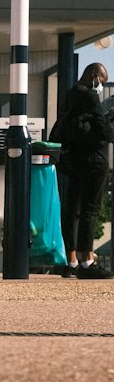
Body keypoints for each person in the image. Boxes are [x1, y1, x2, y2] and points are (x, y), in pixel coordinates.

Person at [52, 61, 114, 279]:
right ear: (94, 75)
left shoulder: (69, 95)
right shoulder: (90, 96)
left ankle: (71, 260)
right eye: (101, 81)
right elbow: (103, 129)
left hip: (74, 161)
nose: (100, 86)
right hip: (94, 160)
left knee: (71, 208)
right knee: (90, 209)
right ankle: (88, 261)